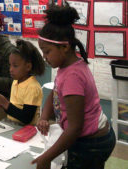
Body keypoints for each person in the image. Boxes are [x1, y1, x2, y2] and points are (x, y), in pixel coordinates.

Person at [32, 3, 116, 169]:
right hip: (89, 136)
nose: (44, 57)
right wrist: (44, 117)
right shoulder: (66, 67)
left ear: (65, 47)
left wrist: (46, 158)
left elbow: (75, 128)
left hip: (92, 143)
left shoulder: (72, 77)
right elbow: (55, 93)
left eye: (47, 51)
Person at [0, 39, 45, 126]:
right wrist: (2, 104)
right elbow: (13, 110)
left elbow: (26, 118)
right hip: (13, 124)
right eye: (10, 65)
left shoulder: (32, 87)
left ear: (28, 66)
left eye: (15, 66)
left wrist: (5, 104)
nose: (10, 69)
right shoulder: (15, 81)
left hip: (26, 128)